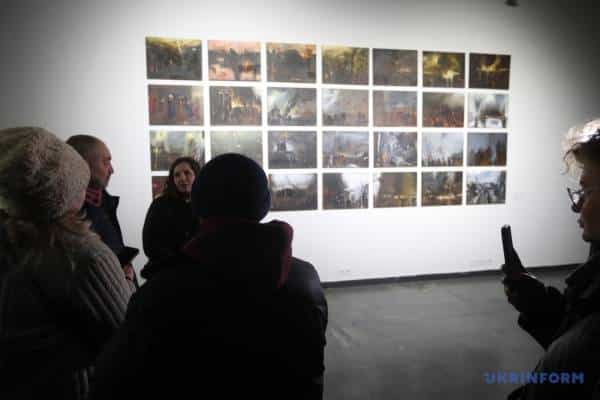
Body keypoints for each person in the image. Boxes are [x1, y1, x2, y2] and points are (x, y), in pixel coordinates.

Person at [91, 153, 328, 400]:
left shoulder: (161, 293)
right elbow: (310, 378)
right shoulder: (305, 279)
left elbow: (116, 382)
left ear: (199, 204)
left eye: (188, 174)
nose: (182, 179)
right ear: (263, 203)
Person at [0, 127, 133, 399]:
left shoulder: (12, 243)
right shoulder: (84, 255)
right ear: (66, 184)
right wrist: (127, 281)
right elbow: (128, 338)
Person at [503, 120, 600, 399]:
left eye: (587, 192)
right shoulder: (593, 285)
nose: (576, 205)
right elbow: (576, 348)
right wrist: (536, 303)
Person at [66, 134, 139, 287]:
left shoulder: (105, 202)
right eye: (106, 162)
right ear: (83, 165)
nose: (112, 170)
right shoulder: (66, 213)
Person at [140, 157, 201, 279]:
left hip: (198, 274)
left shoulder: (204, 204)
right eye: (177, 175)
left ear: (196, 175)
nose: (182, 178)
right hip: (166, 273)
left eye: (187, 173)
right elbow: (149, 244)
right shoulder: (160, 205)